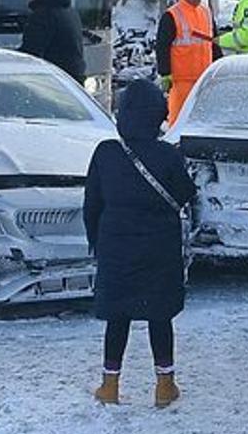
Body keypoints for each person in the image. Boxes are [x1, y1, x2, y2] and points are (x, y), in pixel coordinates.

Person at [84, 79, 197, 408]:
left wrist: (97, 243)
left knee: (117, 318)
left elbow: (92, 204)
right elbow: (185, 193)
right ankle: (164, 385)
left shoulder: (106, 153)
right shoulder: (167, 155)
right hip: (159, 248)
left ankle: (110, 386)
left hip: (116, 247)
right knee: (159, 316)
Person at [161, 0, 217, 124]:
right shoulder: (172, 15)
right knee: (178, 116)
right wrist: (165, 72)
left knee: (202, 117)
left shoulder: (206, 12)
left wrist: (218, 64)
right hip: (181, 78)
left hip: (204, 76)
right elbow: (162, 46)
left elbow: (213, 41)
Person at [20, 0, 87, 81]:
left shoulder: (43, 15)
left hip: (54, 81)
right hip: (73, 80)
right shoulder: (70, 11)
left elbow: (31, 54)